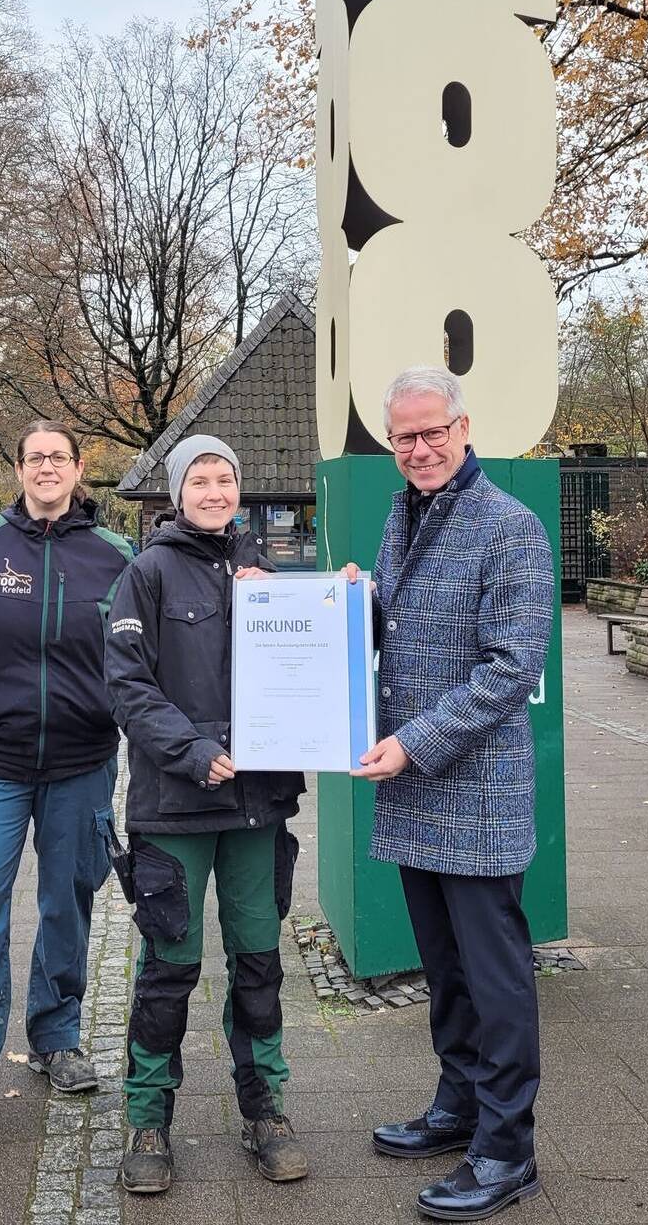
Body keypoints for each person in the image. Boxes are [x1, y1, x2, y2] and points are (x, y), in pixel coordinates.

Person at [341, 366, 555, 1222]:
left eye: (434, 433)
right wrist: (341, 605)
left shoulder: (513, 528)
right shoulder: (404, 514)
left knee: (495, 977)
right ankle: (459, 1104)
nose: (420, 449)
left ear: (465, 429)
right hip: (418, 790)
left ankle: (508, 1148)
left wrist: (413, 744)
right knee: (445, 969)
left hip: (472, 792)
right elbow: (395, 628)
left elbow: (510, 670)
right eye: (405, 437)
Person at [0, 421, 135, 1143]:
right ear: (19, 470)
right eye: (34, 457)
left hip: (82, 764)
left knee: (69, 902)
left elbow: (145, 645)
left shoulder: (115, 557)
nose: (47, 467)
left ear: (79, 470)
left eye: (59, 458)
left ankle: (55, 1035)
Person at [105, 435, 310, 1194]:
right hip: (175, 805)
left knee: (259, 963)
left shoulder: (266, 574)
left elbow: (317, 662)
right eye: (201, 478)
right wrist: (191, 751)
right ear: (177, 490)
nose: (216, 490)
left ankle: (266, 1110)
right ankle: (149, 1117)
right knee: (170, 968)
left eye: (226, 478)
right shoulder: (147, 573)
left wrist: (346, 602)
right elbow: (127, 685)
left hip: (256, 808)